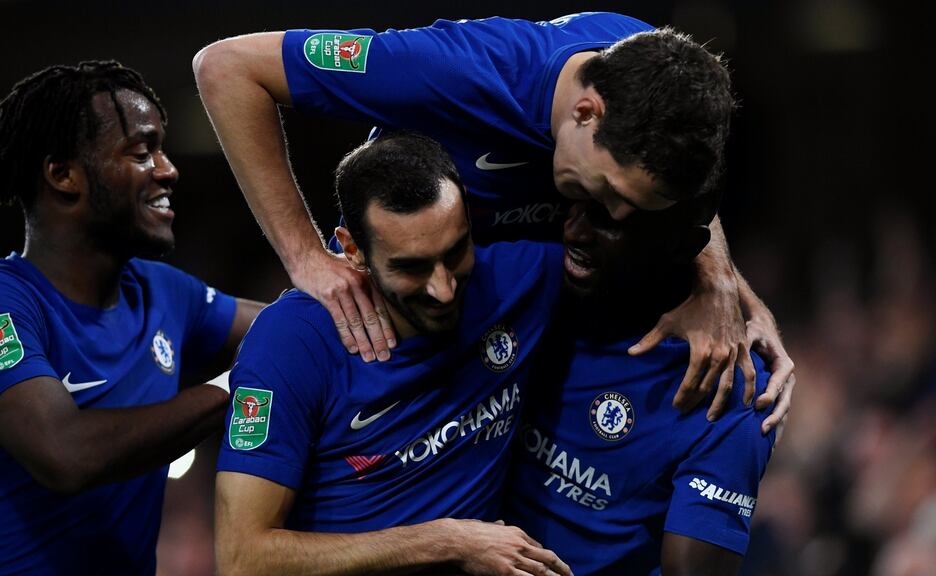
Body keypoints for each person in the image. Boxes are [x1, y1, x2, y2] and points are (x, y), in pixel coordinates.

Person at [192, 13, 794, 430]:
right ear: (586, 112)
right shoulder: (455, 70)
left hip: (509, 347)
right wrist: (304, 257)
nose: (615, 219)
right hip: (385, 338)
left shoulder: (655, 74)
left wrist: (719, 281)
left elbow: (687, 198)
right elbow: (226, 68)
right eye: (609, 193)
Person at [214, 132, 571, 576]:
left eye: (455, 252)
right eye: (411, 267)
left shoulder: (516, 281)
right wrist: (446, 541)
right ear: (353, 249)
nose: (443, 289)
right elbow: (242, 559)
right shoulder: (293, 341)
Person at [0, 61, 263, 575]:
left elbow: (290, 328)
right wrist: (239, 386)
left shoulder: (163, 292)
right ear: (63, 175)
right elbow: (64, 454)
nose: (168, 170)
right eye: (142, 153)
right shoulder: (11, 302)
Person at [504, 197, 777, 575]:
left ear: (682, 246)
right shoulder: (528, 283)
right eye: (577, 200)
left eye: (609, 221)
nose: (575, 231)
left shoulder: (732, 385)